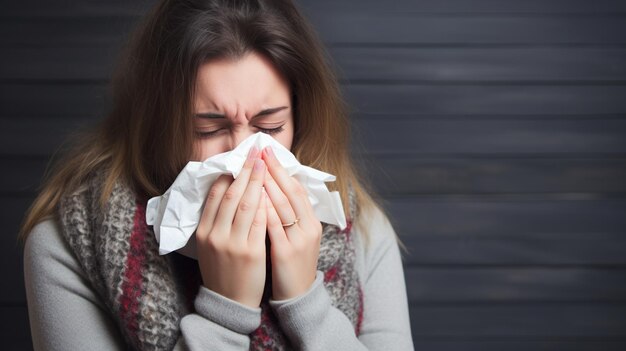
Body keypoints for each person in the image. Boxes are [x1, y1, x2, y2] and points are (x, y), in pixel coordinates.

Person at [20, 0, 414, 349]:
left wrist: (307, 304)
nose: (245, 158)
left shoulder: (361, 231)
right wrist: (224, 313)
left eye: (271, 126)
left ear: (299, 116)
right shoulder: (67, 244)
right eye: (207, 130)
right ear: (157, 123)